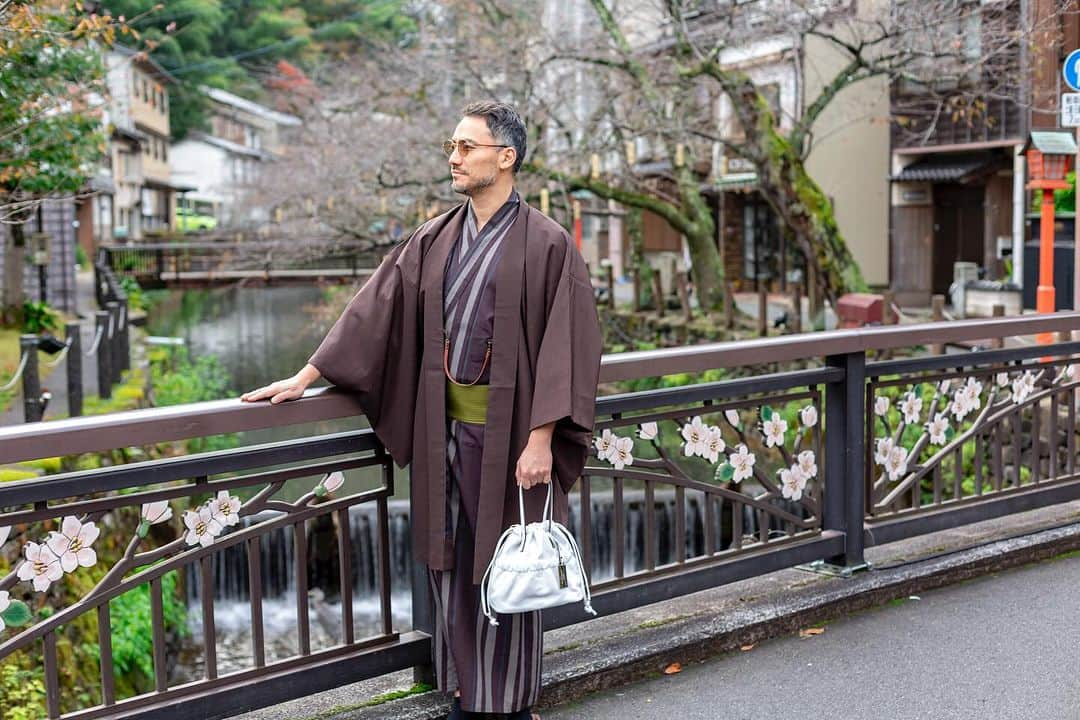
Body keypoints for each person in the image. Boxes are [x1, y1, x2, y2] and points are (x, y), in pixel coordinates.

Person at [241, 101, 602, 719]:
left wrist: (543, 437)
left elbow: (567, 345)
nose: (455, 158)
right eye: (452, 147)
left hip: (512, 437)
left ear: (505, 157)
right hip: (442, 432)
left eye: (468, 147)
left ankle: (508, 700)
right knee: (448, 558)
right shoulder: (435, 236)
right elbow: (373, 311)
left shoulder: (547, 244)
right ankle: (465, 688)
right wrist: (306, 377)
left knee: (505, 562)